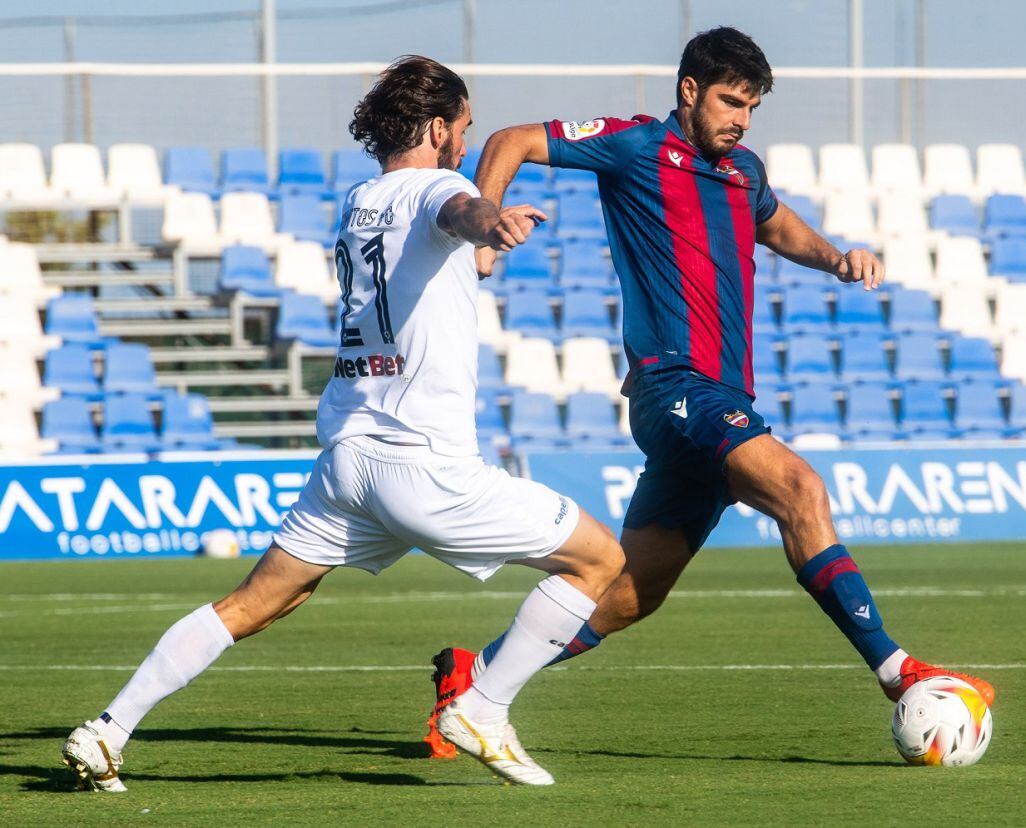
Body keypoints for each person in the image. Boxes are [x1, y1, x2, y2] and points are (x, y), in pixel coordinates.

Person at [424, 27, 995, 758]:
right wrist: (484, 225)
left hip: (722, 398)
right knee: (799, 488)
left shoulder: (743, 170)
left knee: (632, 594)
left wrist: (838, 260)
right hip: (673, 388)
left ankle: (475, 680)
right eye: (731, 101)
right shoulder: (634, 146)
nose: (741, 119)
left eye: (752, 106)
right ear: (688, 90)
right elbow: (511, 138)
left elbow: (777, 224)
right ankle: (898, 670)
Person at [61, 55, 624, 791]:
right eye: (461, 128)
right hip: (422, 463)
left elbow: (438, 241)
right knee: (600, 560)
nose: (464, 143)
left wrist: (476, 241)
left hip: (348, 459)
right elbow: (459, 210)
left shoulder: (361, 200)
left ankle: (107, 730)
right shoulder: (443, 186)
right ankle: (484, 707)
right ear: (434, 125)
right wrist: (493, 220)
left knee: (254, 602)